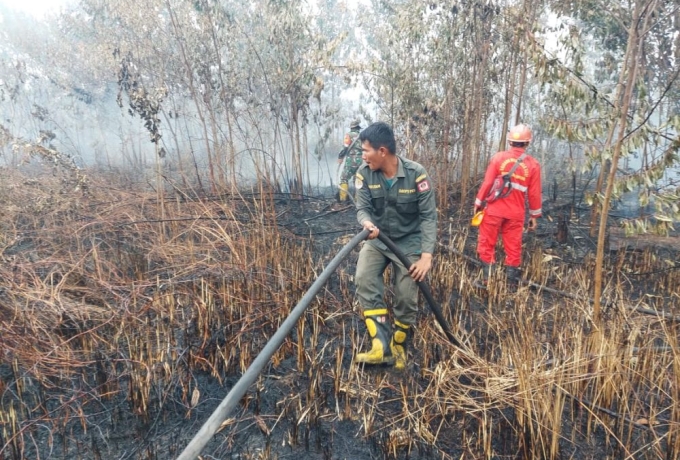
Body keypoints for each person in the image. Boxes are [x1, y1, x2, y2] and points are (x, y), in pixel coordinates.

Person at [353, 122, 437, 370]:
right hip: (378, 240)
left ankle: (399, 345)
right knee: (364, 277)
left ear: (382, 151)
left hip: (409, 242)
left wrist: (426, 257)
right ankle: (381, 346)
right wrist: (366, 223)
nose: (362, 156)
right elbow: (362, 208)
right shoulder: (364, 173)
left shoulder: (416, 174)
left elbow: (428, 217)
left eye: (365, 151)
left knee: (405, 292)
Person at [474, 123, 542, 287]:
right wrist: (534, 216)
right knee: (513, 247)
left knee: (487, 243)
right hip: (516, 214)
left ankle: (487, 280)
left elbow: (488, 183)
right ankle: (511, 283)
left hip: (494, 211)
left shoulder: (498, 158)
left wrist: (478, 202)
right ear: (527, 143)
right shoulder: (533, 165)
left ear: (510, 141)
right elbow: (534, 194)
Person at [337, 119, 363, 202]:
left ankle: (343, 200)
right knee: (358, 179)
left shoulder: (348, 135)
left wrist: (340, 157)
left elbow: (345, 147)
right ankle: (357, 200)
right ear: (358, 128)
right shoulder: (362, 136)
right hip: (361, 161)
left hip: (350, 161)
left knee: (344, 178)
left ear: (351, 128)